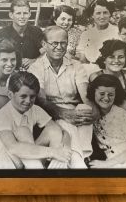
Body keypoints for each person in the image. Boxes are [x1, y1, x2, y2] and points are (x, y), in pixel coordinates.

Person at [28, 25, 98, 168]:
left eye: (63, 43)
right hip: (48, 111)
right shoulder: (36, 67)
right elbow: (41, 100)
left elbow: (85, 96)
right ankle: (80, 161)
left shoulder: (76, 65)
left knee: (85, 109)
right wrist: (63, 113)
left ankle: (77, 157)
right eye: (54, 43)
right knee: (67, 121)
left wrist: (94, 111)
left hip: (73, 109)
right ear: (44, 44)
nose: (59, 47)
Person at [0, 71, 72, 169]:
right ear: (10, 95)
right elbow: (13, 148)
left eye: (32, 97)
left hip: (23, 160)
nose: (28, 101)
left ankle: (56, 168)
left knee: (53, 130)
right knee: (22, 131)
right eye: (23, 96)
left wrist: (65, 146)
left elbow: (59, 130)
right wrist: (53, 152)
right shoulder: (3, 115)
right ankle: (38, 171)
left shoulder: (34, 109)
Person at [0, 0, 44, 69]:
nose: (22, 17)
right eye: (18, 13)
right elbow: (2, 56)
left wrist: (35, 61)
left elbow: (45, 53)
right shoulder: (3, 33)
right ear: (11, 15)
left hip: (34, 70)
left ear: (29, 14)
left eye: (25, 13)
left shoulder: (36, 31)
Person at [76, 0, 119, 72]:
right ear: (92, 15)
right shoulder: (86, 34)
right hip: (89, 69)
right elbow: (82, 57)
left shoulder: (117, 32)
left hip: (112, 70)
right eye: (98, 13)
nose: (102, 17)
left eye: (105, 13)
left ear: (110, 14)